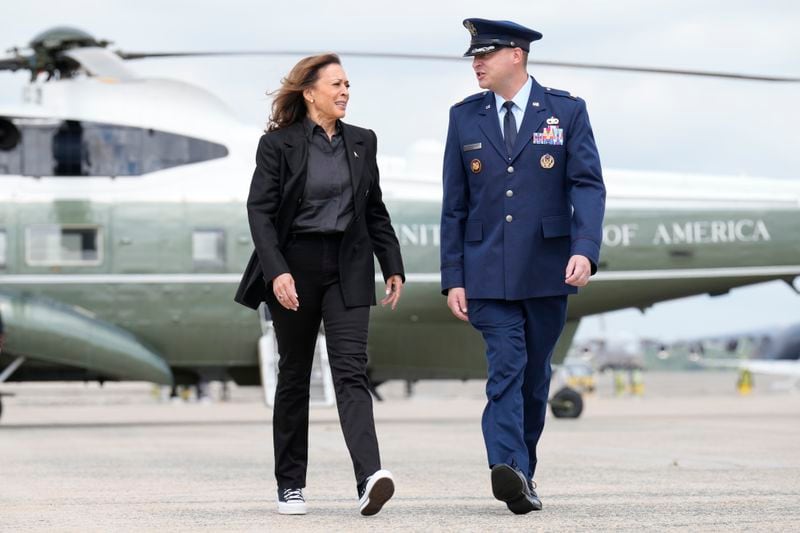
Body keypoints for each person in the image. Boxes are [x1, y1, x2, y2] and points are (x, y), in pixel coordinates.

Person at [440, 19, 606, 514]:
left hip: (547, 268)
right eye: (474, 56)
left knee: (535, 381)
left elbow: (587, 184)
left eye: (484, 55)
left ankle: (521, 476)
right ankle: (506, 466)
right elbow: (455, 205)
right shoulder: (464, 117)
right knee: (506, 370)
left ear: (516, 55)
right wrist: (454, 277)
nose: (476, 64)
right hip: (486, 269)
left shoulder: (565, 111)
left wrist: (585, 247)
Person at [234, 53, 405, 517]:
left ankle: (370, 477)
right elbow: (260, 213)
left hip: (348, 266)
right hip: (295, 266)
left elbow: (374, 210)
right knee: (294, 375)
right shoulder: (278, 145)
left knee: (351, 370)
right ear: (310, 92)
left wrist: (392, 263)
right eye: (336, 84)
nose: (345, 91)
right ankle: (290, 485)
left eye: (348, 84)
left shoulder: (363, 141)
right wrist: (277, 271)